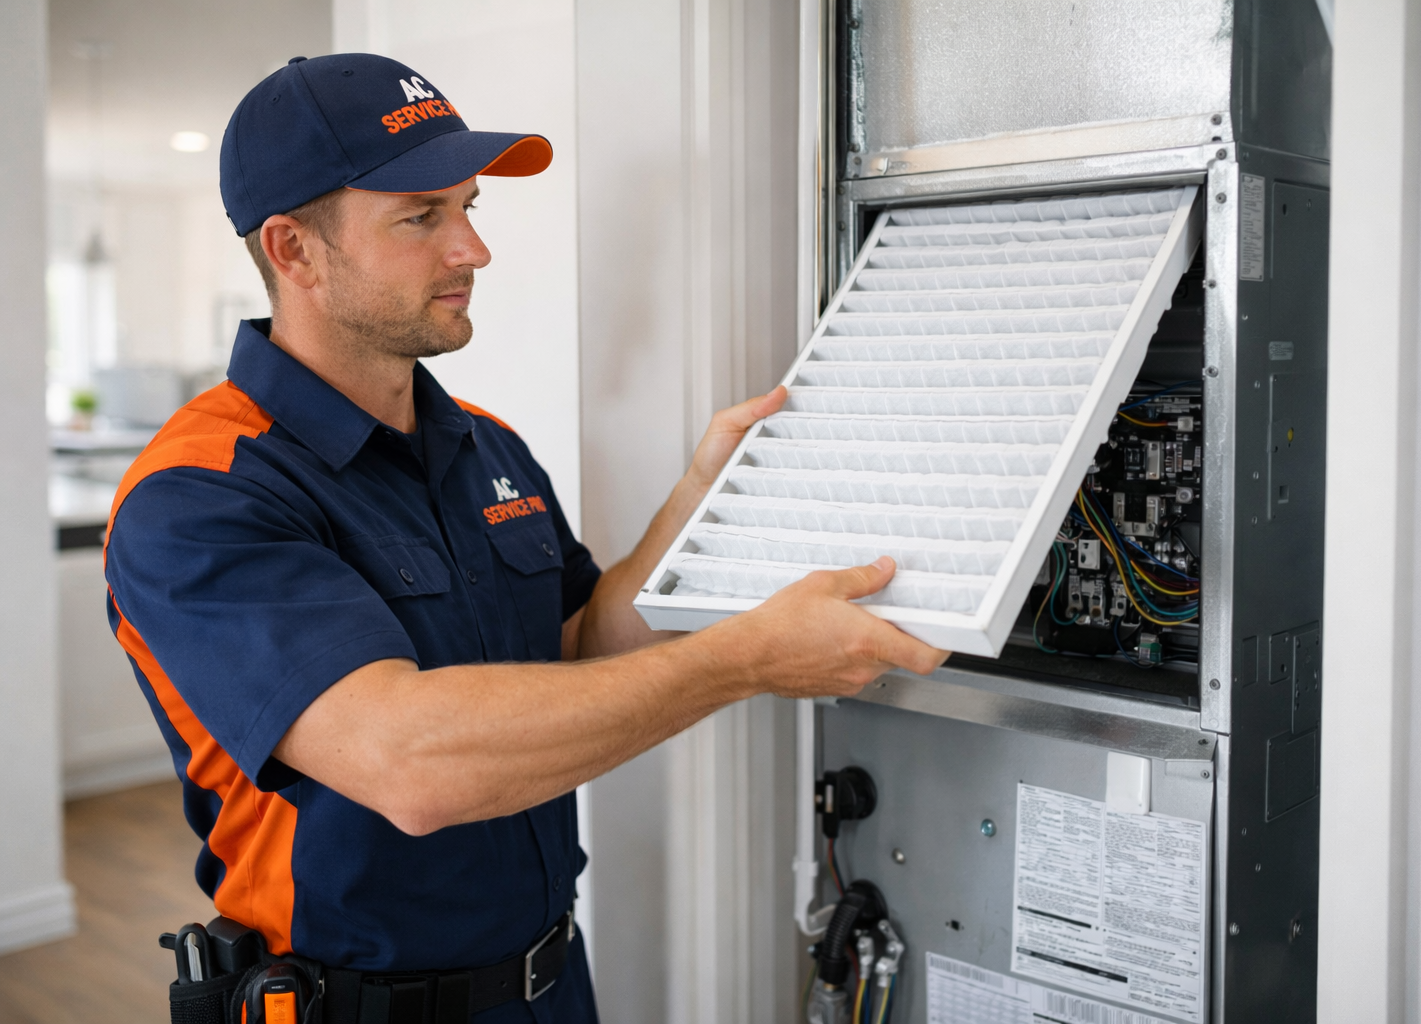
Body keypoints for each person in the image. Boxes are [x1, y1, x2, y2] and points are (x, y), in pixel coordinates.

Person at [104, 53, 945, 1023]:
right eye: (421, 218)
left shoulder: (483, 444)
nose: (472, 249)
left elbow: (580, 645)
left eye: (468, 208)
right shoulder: (199, 494)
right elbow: (409, 764)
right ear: (294, 250)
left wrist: (699, 500)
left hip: (551, 986)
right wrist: (747, 659)